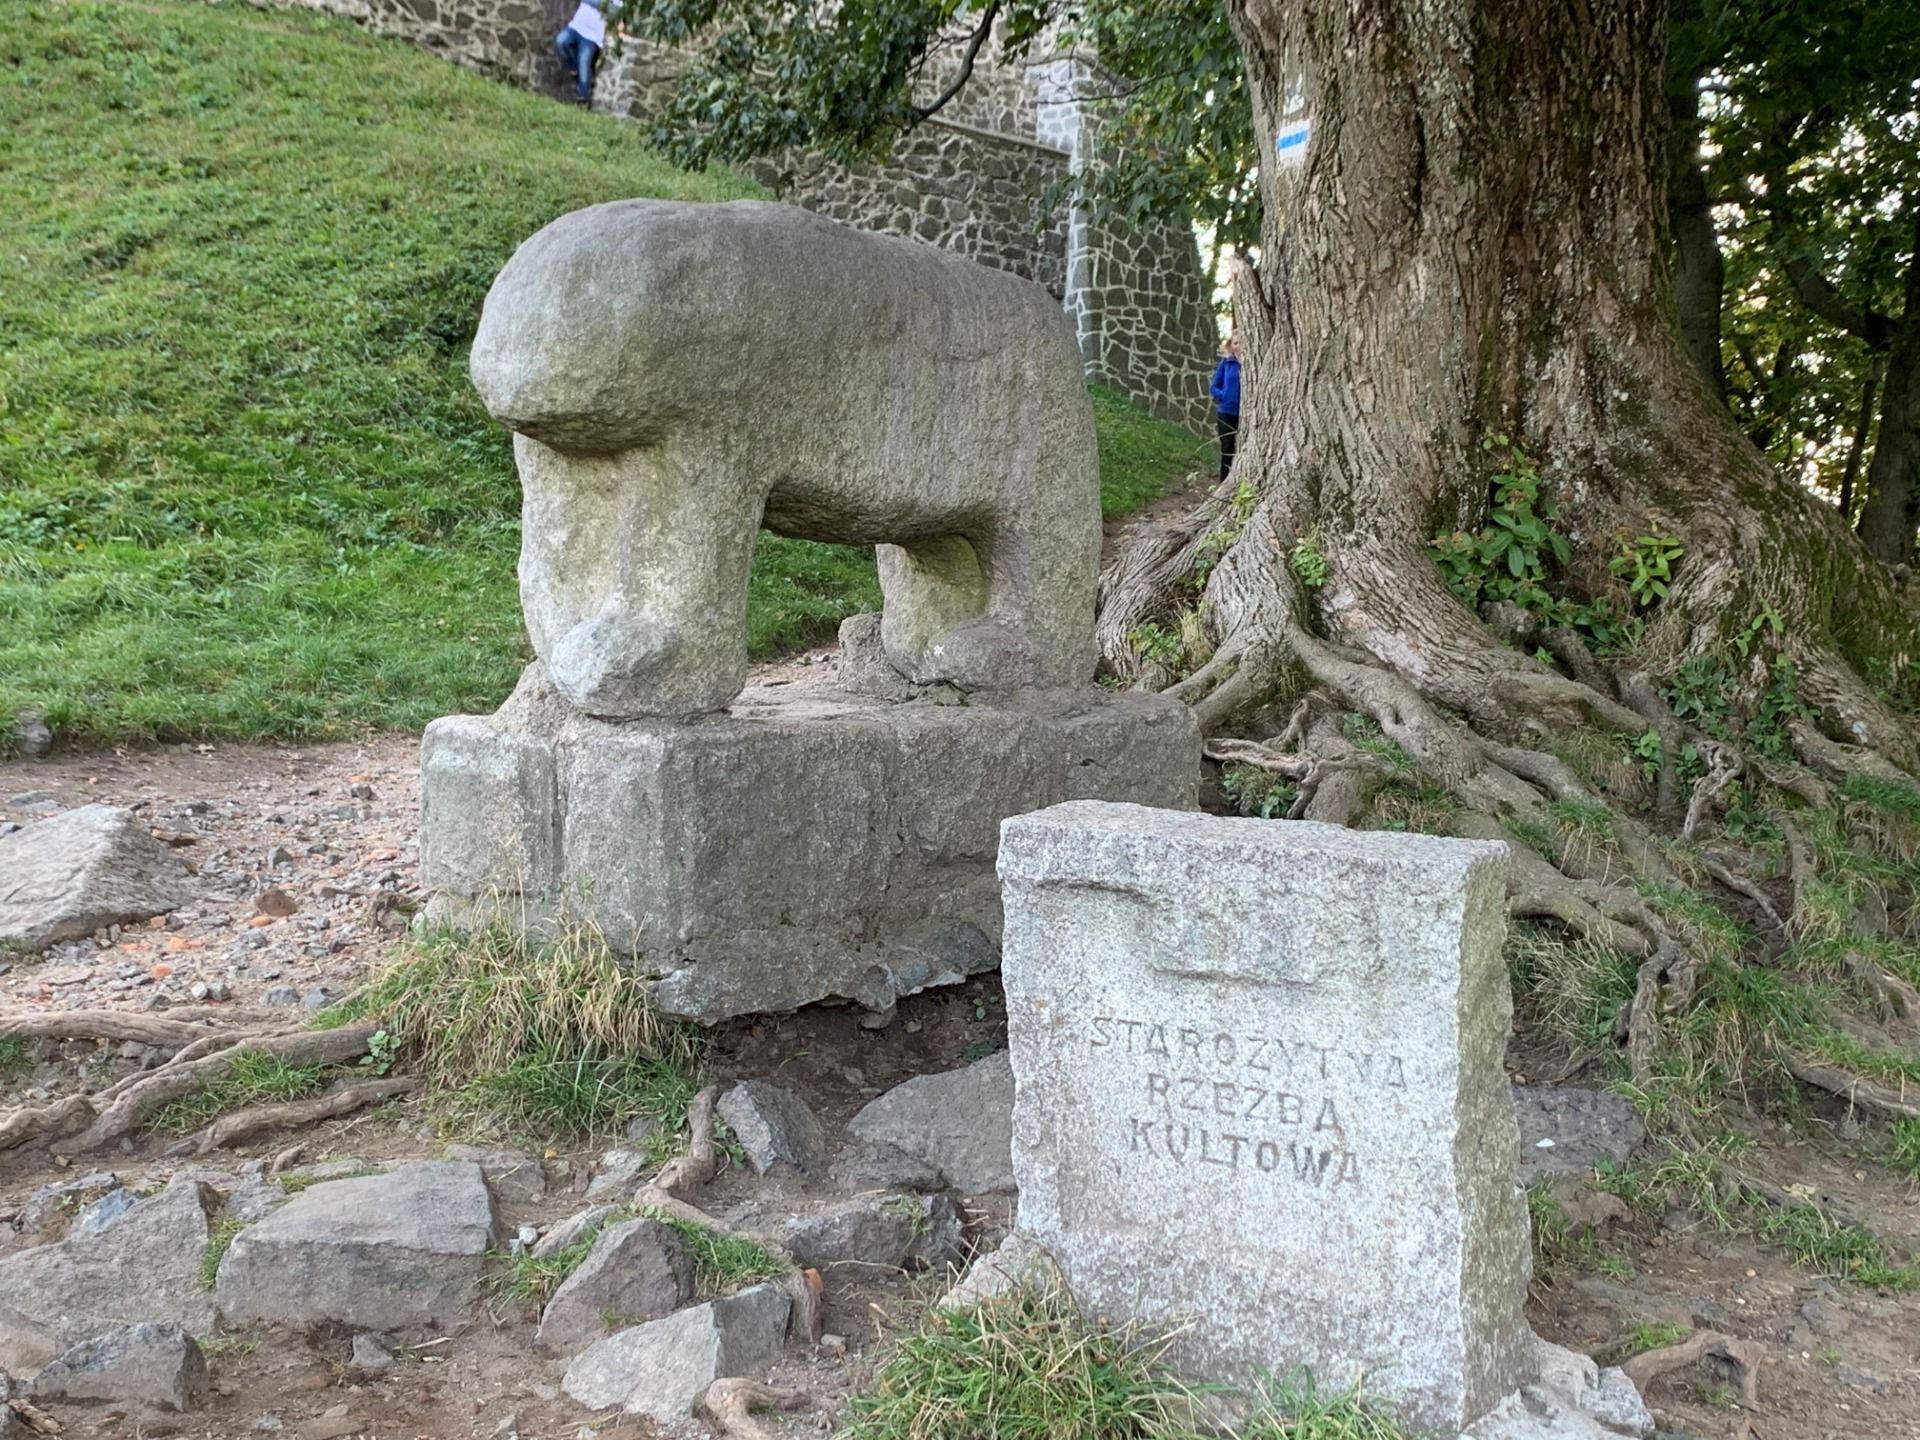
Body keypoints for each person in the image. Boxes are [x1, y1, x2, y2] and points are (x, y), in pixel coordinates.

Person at [555, 0, 608, 106]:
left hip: (593, 35)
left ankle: (583, 99)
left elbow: (614, 10)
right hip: (576, 26)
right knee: (561, 41)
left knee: (584, 61)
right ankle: (575, 69)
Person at [1209, 332, 1242, 483]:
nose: (1239, 346)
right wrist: (1224, 395)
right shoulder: (1226, 363)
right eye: (1235, 343)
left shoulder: (1252, 364)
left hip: (1244, 414)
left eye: (1242, 342)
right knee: (1227, 447)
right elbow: (1214, 387)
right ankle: (1223, 482)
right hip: (1226, 412)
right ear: (1231, 345)